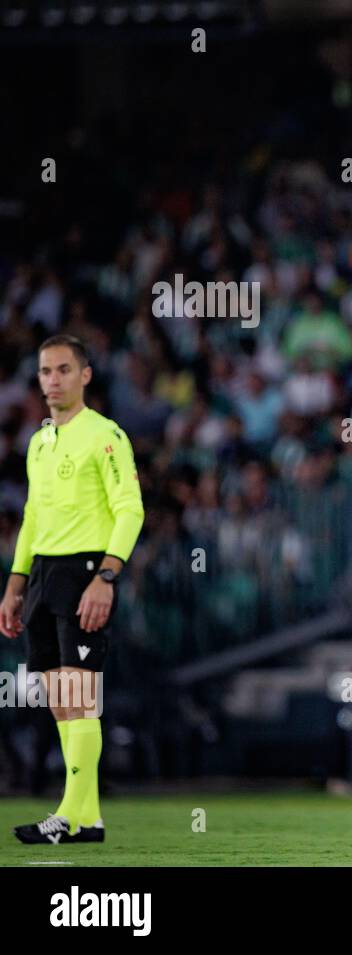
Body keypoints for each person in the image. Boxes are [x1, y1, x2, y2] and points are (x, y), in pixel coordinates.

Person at [1, 335, 145, 845]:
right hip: (44, 573)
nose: (53, 380)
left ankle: (69, 813)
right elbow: (33, 516)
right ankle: (89, 819)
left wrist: (106, 575)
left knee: (79, 696)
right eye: (45, 371)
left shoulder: (106, 435)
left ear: (85, 375)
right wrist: (15, 584)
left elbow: (130, 508)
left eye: (64, 370)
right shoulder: (40, 443)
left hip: (85, 569)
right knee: (62, 700)